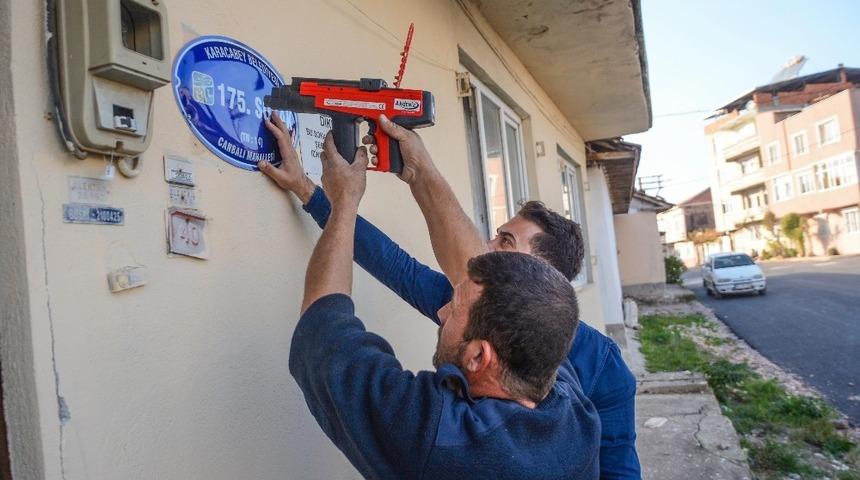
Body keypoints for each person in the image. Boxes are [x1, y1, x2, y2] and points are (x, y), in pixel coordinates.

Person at [261, 113, 640, 478]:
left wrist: (346, 199)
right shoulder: (568, 401)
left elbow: (323, 332)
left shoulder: (439, 437)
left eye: (504, 243)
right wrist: (311, 191)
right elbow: (397, 265)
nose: (485, 248)